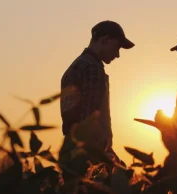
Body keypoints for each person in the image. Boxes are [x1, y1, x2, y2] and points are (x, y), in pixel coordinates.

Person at [58, 20, 134, 182]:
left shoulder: (74, 67)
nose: (117, 54)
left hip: (70, 150)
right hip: (86, 156)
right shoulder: (92, 68)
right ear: (105, 40)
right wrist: (109, 161)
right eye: (117, 47)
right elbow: (89, 121)